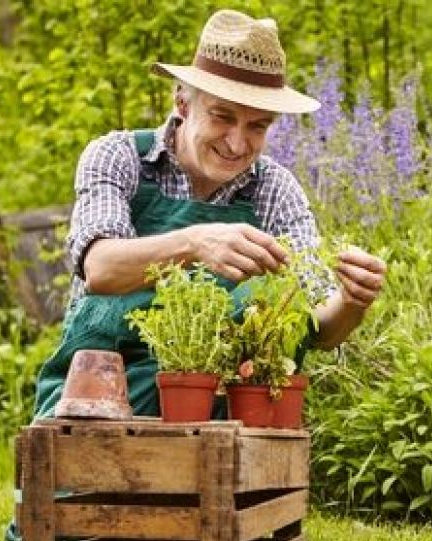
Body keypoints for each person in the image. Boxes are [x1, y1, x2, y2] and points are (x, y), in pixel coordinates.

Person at [32, 8, 387, 419]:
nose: (237, 143)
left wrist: (350, 301)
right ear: (182, 102)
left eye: (258, 126)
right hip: (98, 398)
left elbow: (320, 325)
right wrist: (196, 243)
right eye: (223, 117)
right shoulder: (119, 158)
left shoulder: (275, 189)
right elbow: (100, 268)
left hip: (222, 408)